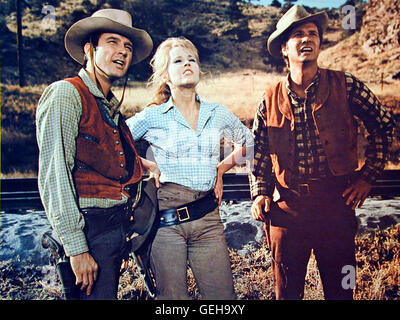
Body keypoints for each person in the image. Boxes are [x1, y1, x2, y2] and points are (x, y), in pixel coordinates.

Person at [249, 5, 395, 300]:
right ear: (284, 49)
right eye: (298, 34)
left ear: (319, 43)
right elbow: (259, 151)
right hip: (288, 210)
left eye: (313, 34)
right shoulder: (268, 99)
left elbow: (383, 126)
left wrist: (367, 177)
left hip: (336, 207)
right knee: (286, 293)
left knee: (342, 289)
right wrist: (260, 192)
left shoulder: (346, 85)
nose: (307, 39)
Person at [36, 9, 154, 299]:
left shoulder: (109, 106)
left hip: (111, 229)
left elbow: (102, 156)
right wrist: (77, 249)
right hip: (88, 232)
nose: (122, 52)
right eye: (112, 42)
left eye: (127, 46)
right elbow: (55, 174)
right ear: (90, 49)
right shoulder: (66, 93)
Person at [126, 37, 254, 300]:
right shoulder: (153, 117)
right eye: (178, 60)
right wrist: (145, 164)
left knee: (222, 300)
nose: (187, 64)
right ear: (165, 75)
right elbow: (112, 144)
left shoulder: (216, 113)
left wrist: (220, 169)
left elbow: (249, 142)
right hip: (166, 225)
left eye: (192, 59)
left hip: (208, 220)